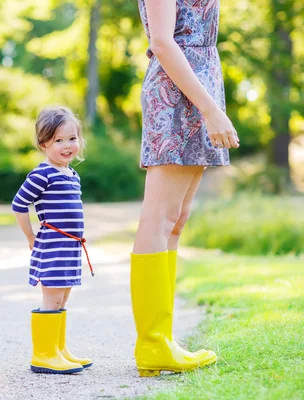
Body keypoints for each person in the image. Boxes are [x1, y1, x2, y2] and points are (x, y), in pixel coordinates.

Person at [131, 0, 240, 377]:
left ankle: (164, 340)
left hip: (198, 85)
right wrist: (210, 109)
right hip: (177, 95)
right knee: (158, 220)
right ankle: (152, 343)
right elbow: (162, 41)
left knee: (176, 221)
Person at [12, 106, 92, 374]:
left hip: (70, 248)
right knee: (52, 299)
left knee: (64, 298)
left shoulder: (72, 175)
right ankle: (44, 355)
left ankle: (59, 350)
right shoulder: (41, 174)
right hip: (53, 248)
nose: (67, 146)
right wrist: (30, 236)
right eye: (59, 140)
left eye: (72, 139)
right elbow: (19, 204)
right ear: (44, 144)